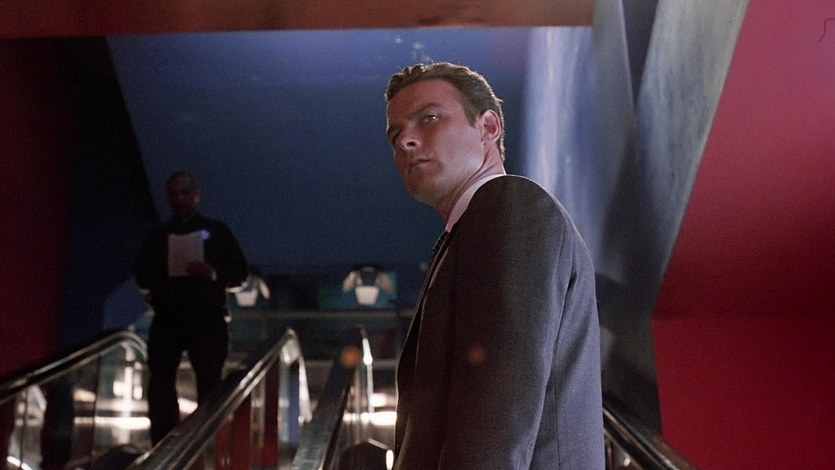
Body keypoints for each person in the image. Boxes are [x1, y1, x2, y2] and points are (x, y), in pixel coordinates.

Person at [384, 62, 604, 469]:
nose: (405, 141)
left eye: (428, 118)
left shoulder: (510, 206)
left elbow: (497, 414)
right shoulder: (467, 236)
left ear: (488, 127)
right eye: (395, 134)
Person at [134, 171, 248, 445]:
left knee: (208, 382)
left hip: (205, 317)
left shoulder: (217, 231)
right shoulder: (158, 236)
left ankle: (204, 444)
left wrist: (212, 273)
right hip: (169, 316)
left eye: (184, 193)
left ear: (196, 195)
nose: (179, 199)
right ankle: (166, 445)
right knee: (162, 381)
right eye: (174, 194)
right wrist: (163, 275)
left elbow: (240, 273)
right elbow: (142, 277)